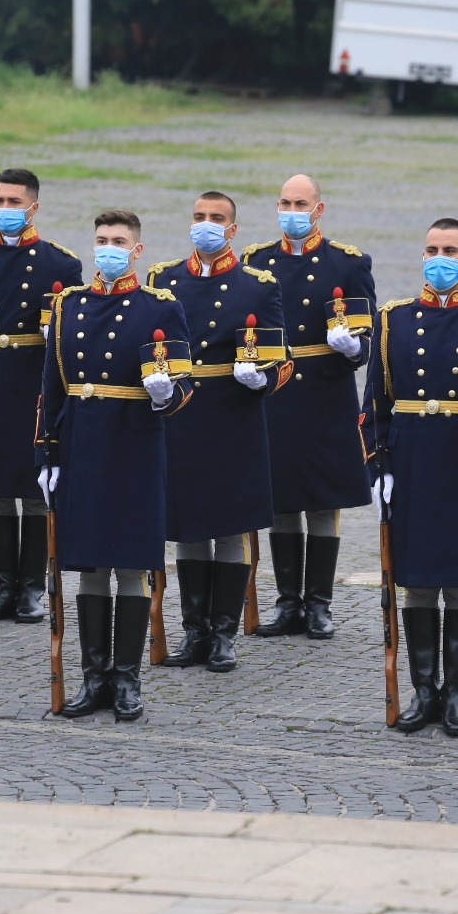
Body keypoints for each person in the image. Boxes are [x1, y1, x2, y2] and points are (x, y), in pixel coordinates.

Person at [361, 218, 458, 737]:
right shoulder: (395, 320)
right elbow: (374, 406)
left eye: (450, 250)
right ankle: (423, 689)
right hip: (413, 463)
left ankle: (455, 694)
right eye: (431, 249)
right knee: (418, 584)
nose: (439, 258)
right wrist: (379, 466)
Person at [40, 209, 192, 720]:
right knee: (87, 565)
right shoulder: (70, 305)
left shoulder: (160, 307)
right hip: (83, 443)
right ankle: (94, 676)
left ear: (137, 250)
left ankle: (127, 678)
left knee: (129, 563)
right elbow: (51, 389)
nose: (108, 248)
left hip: (134, 443)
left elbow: (184, 385)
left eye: (119, 240)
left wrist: (165, 393)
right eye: (102, 239)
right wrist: (47, 453)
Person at [147, 191, 287, 672]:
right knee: (188, 526)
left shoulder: (256, 285)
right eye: (199, 217)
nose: (205, 225)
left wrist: (260, 377)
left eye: (216, 218)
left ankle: (224, 631)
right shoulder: (164, 281)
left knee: (229, 526)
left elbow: (279, 359)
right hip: (183, 413)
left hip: (232, 413)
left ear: (232, 228)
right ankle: (194, 630)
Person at [242, 175, 375, 640]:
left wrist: (351, 347)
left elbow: (366, 340)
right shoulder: (257, 262)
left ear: (319, 209)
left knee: (322, 501)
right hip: (276, 390)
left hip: (324, 390)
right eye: (284, 202)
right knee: (280, 499)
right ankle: (287, 601)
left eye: (301, 203)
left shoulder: (347, 263)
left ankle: (319, 602)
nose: (291, 210)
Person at [0, 168, 82, 625]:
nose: (5, 209)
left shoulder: (60, 264)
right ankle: (3, 585)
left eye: (14, 201)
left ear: (33, 207)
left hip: (32, 379)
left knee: (34, 488)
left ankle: (33, 585)